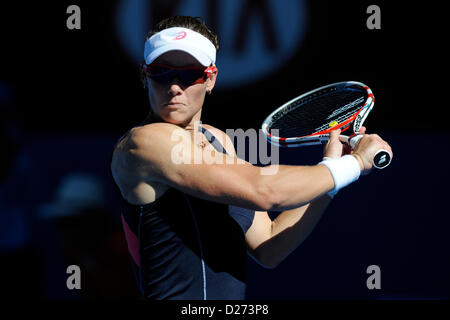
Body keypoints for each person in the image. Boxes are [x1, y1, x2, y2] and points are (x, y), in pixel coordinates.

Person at [110, 16, 393, 300]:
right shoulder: (143, 144)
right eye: (160, 72)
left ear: (210, 79)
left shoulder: (217, 140)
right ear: (144, 77)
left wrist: (332, 175)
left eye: (188, 74)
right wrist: (353, 164)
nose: (173, 87)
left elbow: (269, 244)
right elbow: (265, 190)